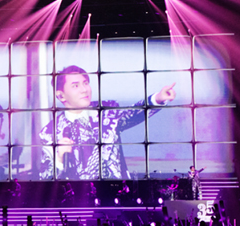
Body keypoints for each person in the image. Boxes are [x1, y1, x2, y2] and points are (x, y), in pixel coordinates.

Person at [39, 65, 176, 180]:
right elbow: (44, 180)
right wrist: (59, 158)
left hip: (116, 193)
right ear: (61, 95)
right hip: (77, 198)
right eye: (75, 86)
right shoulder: (49, 133)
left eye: (85, 83)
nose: (84, 89)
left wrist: (158, 98)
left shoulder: (106, 112)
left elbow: (133, 113)